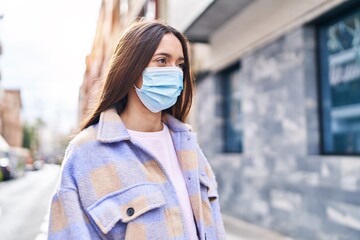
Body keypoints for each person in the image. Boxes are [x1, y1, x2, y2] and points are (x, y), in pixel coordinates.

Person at [48, 19, 226, 240]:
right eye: (162, 61)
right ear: (131, 69)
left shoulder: (187, 145)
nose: (174, 72)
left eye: (179, 65)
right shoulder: (86, 153)